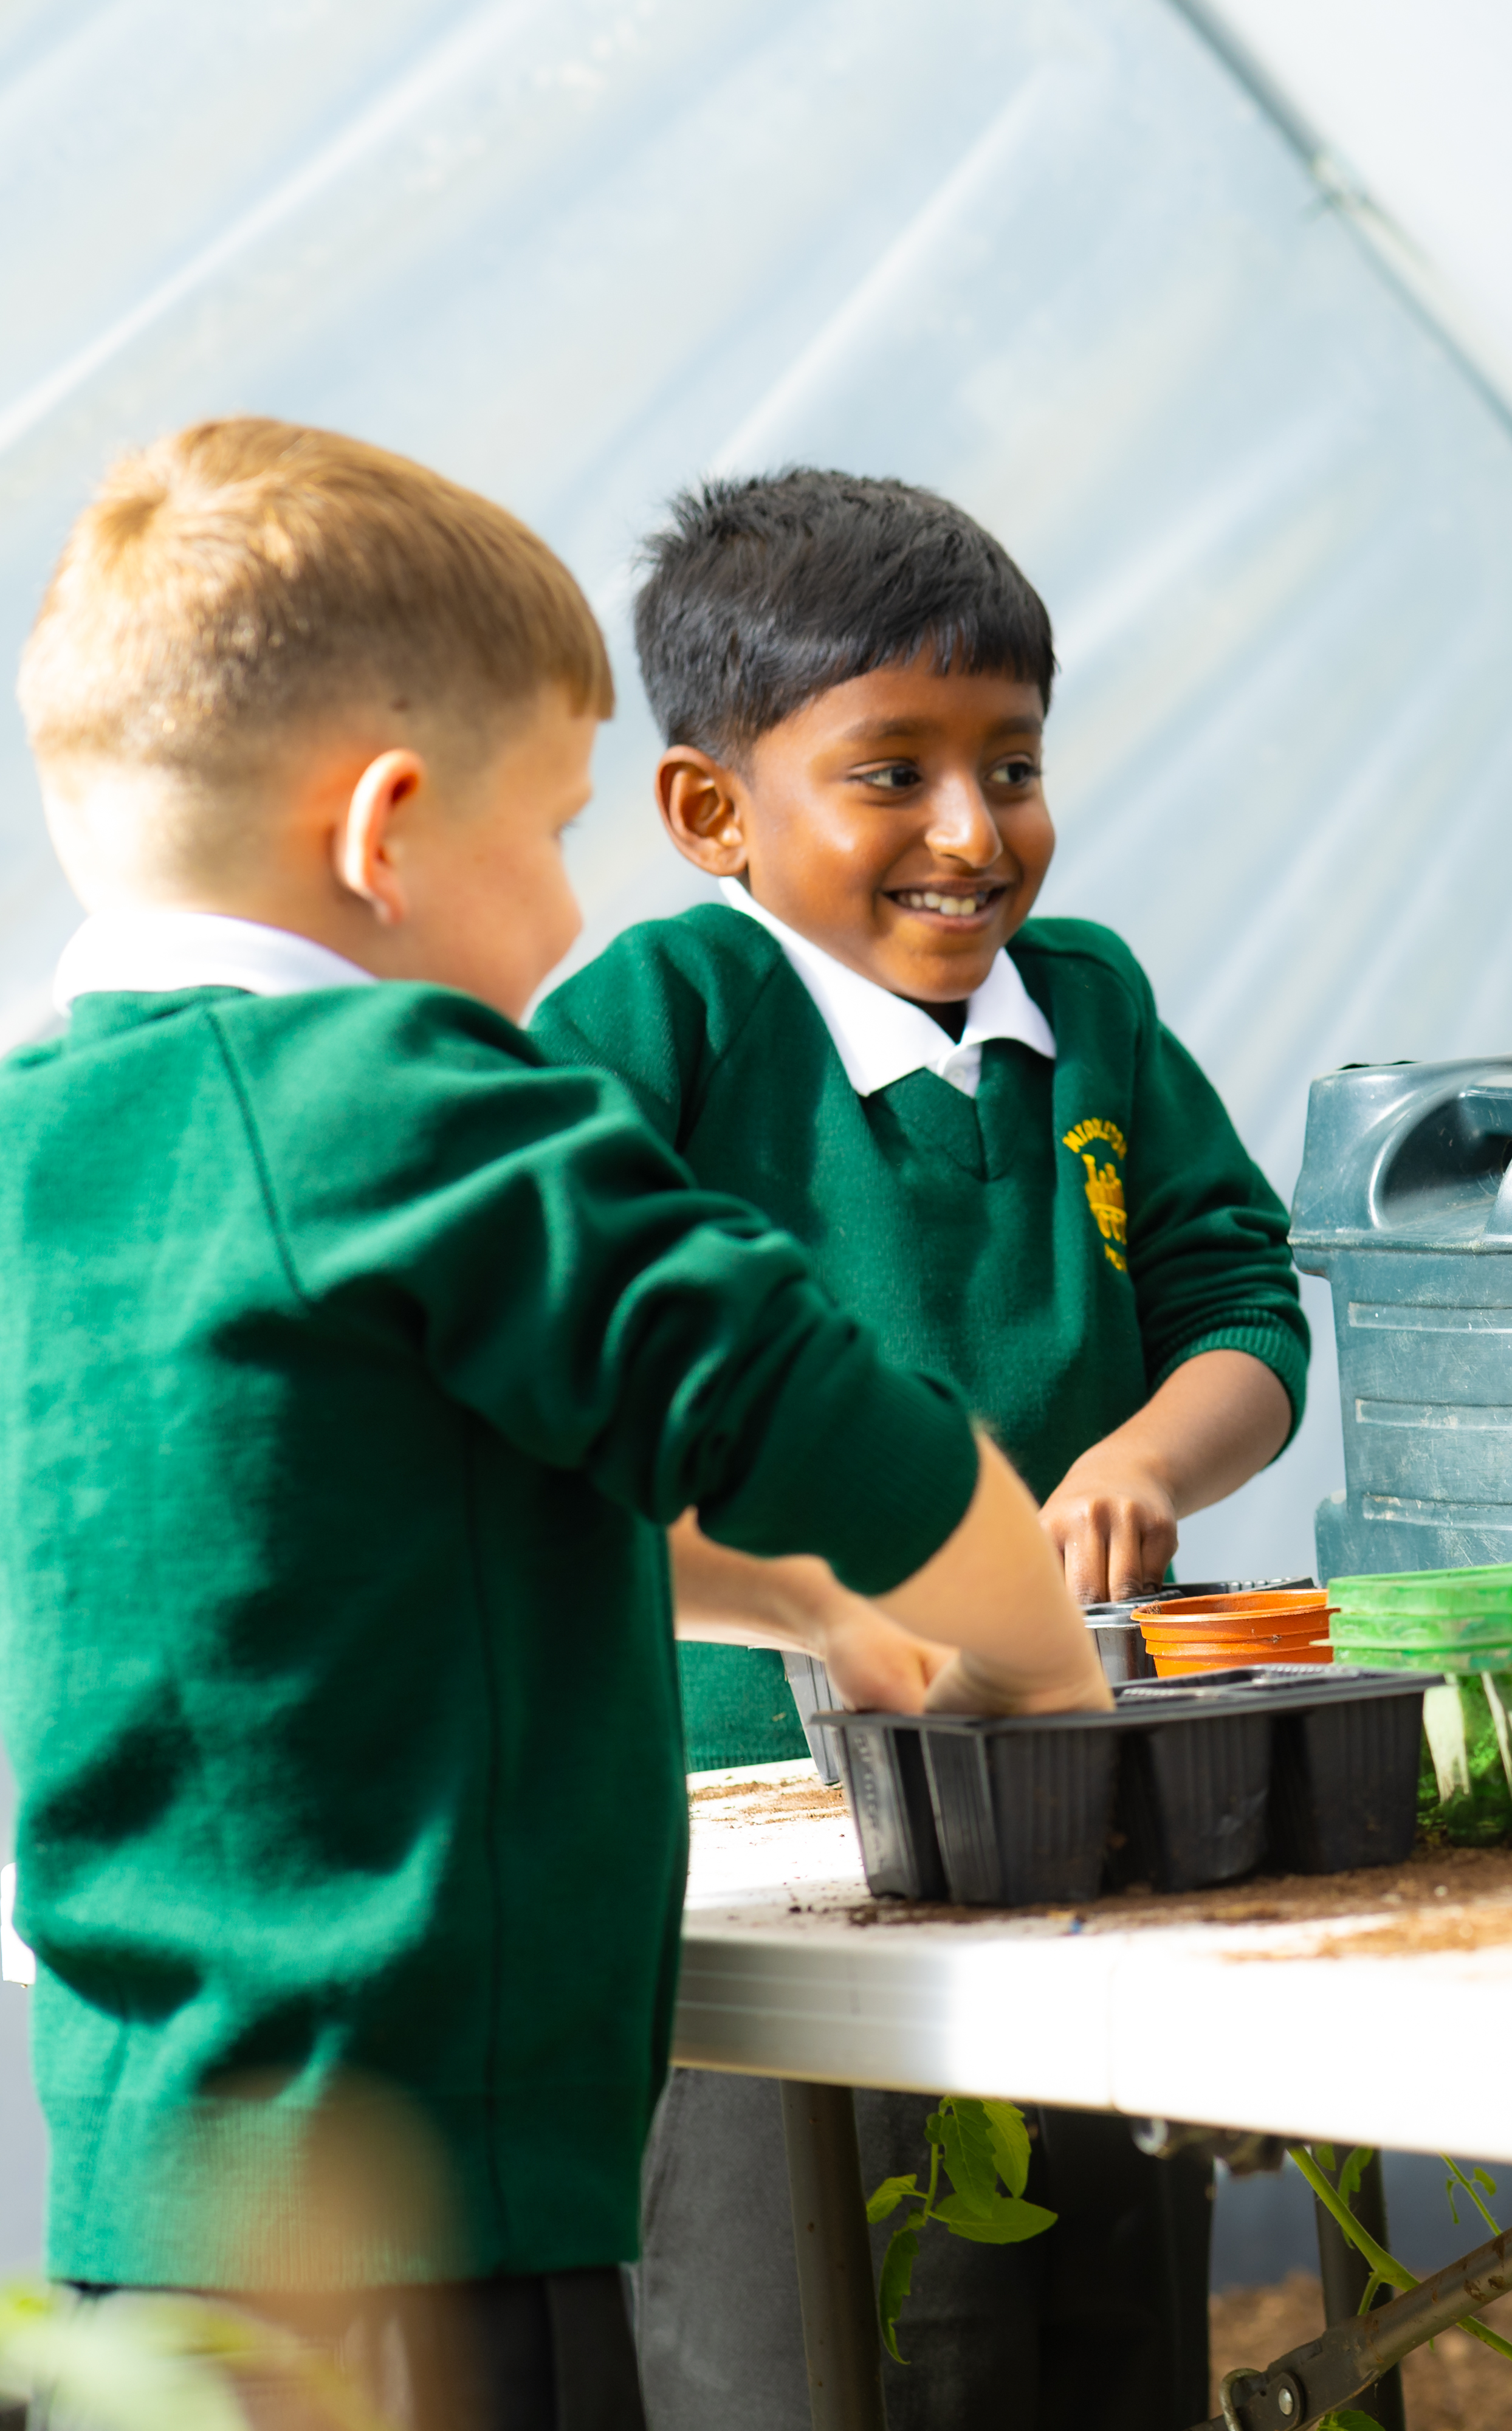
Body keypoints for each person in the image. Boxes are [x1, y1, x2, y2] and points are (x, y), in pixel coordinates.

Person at [0, 418, 1108, 2431]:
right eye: (556, 832)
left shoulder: (47, 1150)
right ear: (389, 833)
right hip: (428, 2219)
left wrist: (795, 1610)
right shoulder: (411, 1107)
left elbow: (343, 1515)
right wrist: (1037, 1668)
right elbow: (815, 1409)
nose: (574, 916)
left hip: (144, 2202)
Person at [532, 469, 1308, 2430]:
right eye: (894, 773)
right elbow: (548, 1371)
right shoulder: (669, 1011)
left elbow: (1244, 1303)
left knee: (1102, 2322)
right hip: (750, 1836)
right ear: (712, 811)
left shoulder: (1096, 1010)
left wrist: (1145, 1458)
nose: (974, 834)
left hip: (1069, 1791)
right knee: (828, 2331)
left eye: (1016, 766)